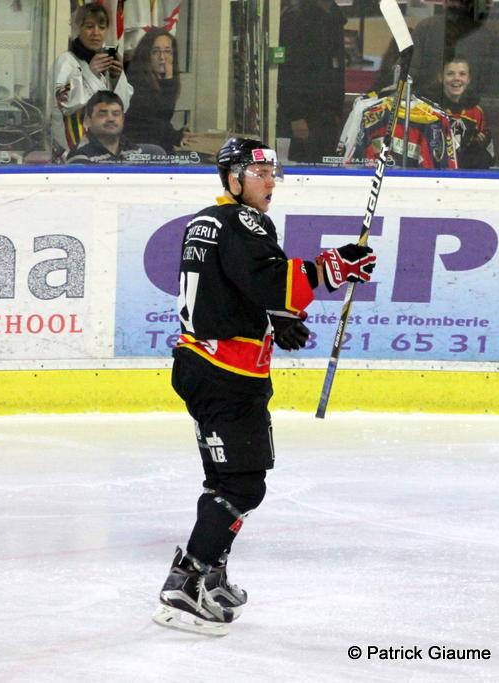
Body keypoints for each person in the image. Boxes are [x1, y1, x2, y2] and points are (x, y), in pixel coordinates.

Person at [153, 138, 377, 636]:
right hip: (227, 375)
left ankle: (210, 576)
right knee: (243, 485)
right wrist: (333, 267)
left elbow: (232, 287)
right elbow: (268, 279)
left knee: (225, 481)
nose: (271, 182)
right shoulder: (244, 221)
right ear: (233, 179)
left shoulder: (208, 221)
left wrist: (278, 317)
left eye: (273, 173)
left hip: (204, 365)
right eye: (260, 174)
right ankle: (185, 586)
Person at [51, 4, 133, 160]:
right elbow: (64, 103)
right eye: (89, 26)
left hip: (105, 149)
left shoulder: (107, 61)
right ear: (77, 28)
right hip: (73, 151)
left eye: (102, 27)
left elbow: (123, 107)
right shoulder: (66, 61)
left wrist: (117, 78)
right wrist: (91, 73)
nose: (96, 33)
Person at [276, 0, 346, 164]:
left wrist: (336, 110)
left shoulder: (334, 18)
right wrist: (296, 116)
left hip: (326, 115)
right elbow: (288, 71)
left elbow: (335, 70)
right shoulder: (296, 19)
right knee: (303, 165)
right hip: (305, 116)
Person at [409, 0, 499, 99]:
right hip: (430, 104)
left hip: (474, 103)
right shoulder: (427, 28)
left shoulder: (494, 31)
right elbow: (409, 72)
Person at [123, 27, 192, 153]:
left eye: (167, 52)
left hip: (156, 144)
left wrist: (178, 135)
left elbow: (162, 121)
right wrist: (168, 80)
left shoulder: (161, 80)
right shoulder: (135, 81)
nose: (162, 58)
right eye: (155, 52)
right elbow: (156, 122)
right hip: (139, 149)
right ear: (146, 56)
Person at [65, 90, 165, 164]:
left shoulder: (134, 149)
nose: (111, 119)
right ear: (88, 120)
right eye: (102, 114)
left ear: (123, 119)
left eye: (116, 114)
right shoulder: (80, 156)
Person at [428, 57, 494, 169]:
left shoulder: (477, 112)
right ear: (441, 77)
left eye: (462, 74)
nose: (456, 78)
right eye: (450, 74)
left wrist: (478, 146)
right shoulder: (427, 109)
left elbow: (488, 158)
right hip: (436, 173)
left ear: (468, 79)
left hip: (466, 175)